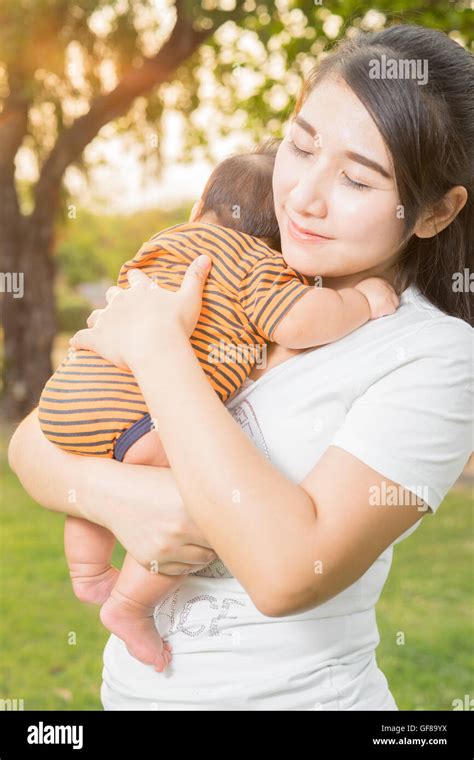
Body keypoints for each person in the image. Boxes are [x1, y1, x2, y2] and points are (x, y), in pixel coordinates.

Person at [9, 24, 473, 710]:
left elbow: (285, 570)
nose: (303, 198)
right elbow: (31, 441)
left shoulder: (433, 355)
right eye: (301, 144)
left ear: (435, 212)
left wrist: (157, 348)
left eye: (355, 178)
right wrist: (117, 496)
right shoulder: (226, 268)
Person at [38, 142, 397, 674]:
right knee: (200, 499)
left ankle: (89, 570)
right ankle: (131, 604)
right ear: (279, 233)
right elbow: (295, 321)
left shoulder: (164, 243)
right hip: (138, 411)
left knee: (106, 473)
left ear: (199, 208)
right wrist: (361, 301)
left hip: (74, 393)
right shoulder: (257, 263)